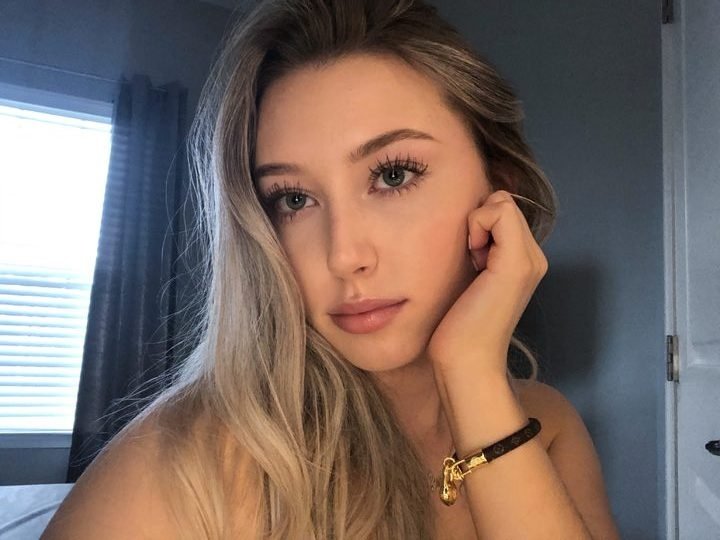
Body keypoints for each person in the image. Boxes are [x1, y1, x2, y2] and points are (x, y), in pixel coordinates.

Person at [43, 0, 621, 538]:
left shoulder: (547, 426)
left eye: (393, 175)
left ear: (500, 190)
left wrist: (473, 374)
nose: (343, 255)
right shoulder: (185, 467)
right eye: (293, 199)